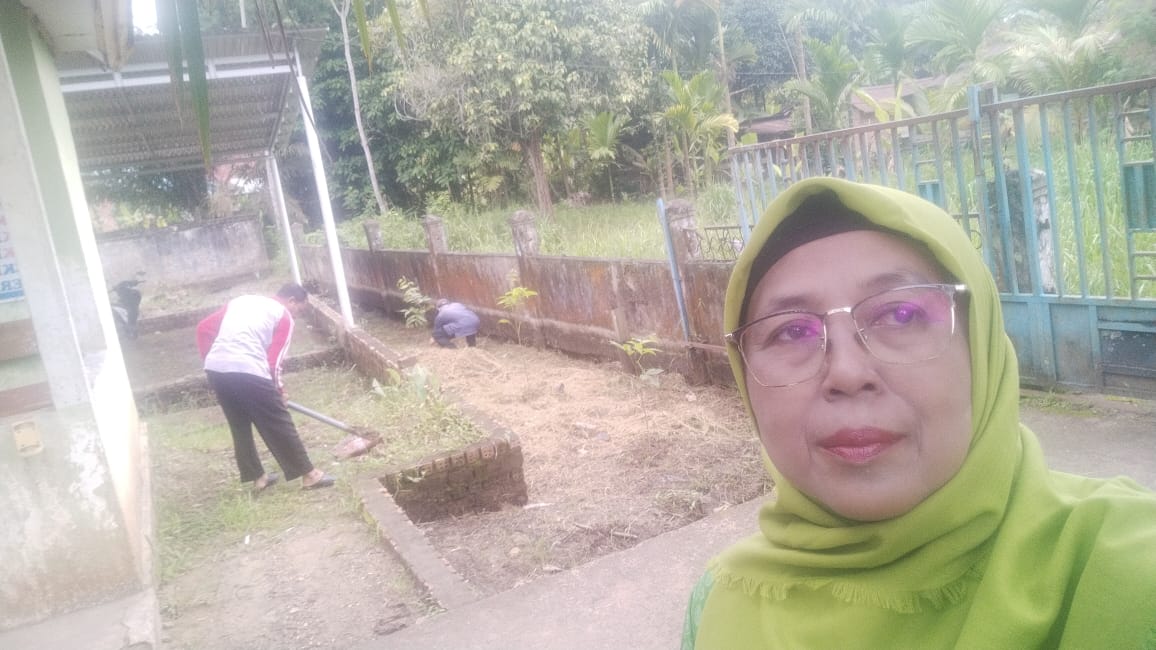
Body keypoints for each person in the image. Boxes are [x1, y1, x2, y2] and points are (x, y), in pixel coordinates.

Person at [681, 177, 1156, 648]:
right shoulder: (722, 604)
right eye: (791, 332)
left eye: (901, 314)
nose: (847, 373)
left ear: (980, 346)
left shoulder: (1120, 567)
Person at [196, 282, 335, 491]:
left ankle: (258, 478)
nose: (296, 315)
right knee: (278, 421)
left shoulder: (241, 301)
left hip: (216, 369)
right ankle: (310, 476)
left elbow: (203, 328)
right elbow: (274, 362)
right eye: (299, 309)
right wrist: (279, 391)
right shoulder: (283, 315)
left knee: (239, 424)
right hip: (248, 368)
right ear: (291, 301)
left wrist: (218, 360)